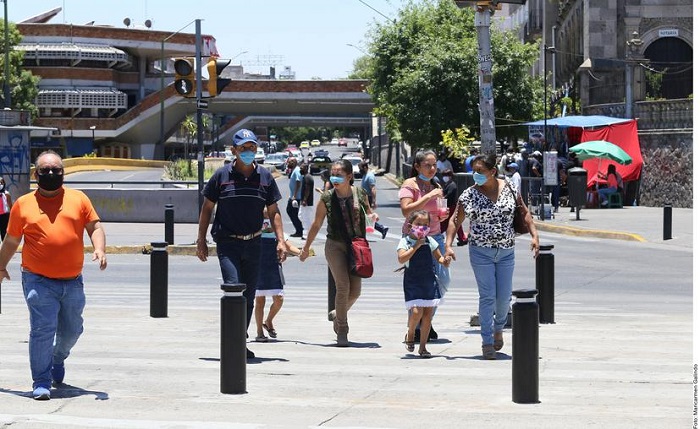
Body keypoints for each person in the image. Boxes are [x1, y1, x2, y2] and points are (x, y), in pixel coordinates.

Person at [0, 150, 107, 400]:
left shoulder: (79, 199)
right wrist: (1, 266)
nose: (51, 174)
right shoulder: (23, 204)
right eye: (45, 170)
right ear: (36, 174)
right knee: (42, 329)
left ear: (63, 173)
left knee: (73, 330)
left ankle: (57, 357)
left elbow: (95, 226)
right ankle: (41, 381)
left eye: (56, 170)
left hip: (72, 281)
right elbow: (11, 241)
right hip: (37, 279)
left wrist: (100, 248)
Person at [196, 128, 287, 360]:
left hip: (254, 242)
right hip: (228, 243)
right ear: (234, 150)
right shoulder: (221, 176)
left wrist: (281, 241)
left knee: (248, 295)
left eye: (252, 147)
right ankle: (231, 341)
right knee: (234, 289)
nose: (248, 151)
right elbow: (207, 208)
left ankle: (238, 341)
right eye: (243, 148)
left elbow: (274, 211)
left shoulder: (265, 177)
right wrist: (201, 240)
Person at [445, 154, 539, 360]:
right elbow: (454, 221)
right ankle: (487, 342)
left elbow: (524, 212)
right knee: (487, 297)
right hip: (480, 251)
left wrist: (534, 235)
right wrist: (448, 245)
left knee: (504, 297)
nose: (475, 175)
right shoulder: (469, 195)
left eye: (480, 171)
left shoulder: (510, 188)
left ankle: (499, 328)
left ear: (492, 172)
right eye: (474, 171)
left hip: (506, 250)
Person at [299, 159, 377, 347]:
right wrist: (305, 248)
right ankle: (342, 328)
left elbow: (368, 213)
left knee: (356, 291)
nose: (334, 178)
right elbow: (316, 225)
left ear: (350, 176)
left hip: (356, 246)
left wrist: (373, 216)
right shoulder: (326, 198)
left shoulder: (360, 193)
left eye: (339, 174)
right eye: (332, 174)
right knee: (343, 287)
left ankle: (337, 313)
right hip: (335, 245)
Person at [399, 149, 450, 341]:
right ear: (417, 166)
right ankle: (417, 325)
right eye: (427, 165)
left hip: (435, 236)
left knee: (443, 279)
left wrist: (440, 213)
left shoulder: (436, 184)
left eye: (434, 164)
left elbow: (437, 210)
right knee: (421, 280)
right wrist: (428, 197)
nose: (432, 168)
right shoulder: (410, 185)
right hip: (415, 237)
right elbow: (406, 211)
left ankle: (424, 320)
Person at [397, 210, 450, 358]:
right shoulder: (406, 242)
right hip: (413, 281)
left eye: (425, 225)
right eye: (418, 224)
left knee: (427, 316)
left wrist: (445, 261)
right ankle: (411, 332)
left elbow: (439, 257)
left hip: (429, 281)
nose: (422, 228)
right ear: (410, 225)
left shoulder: (430, 241)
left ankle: (423, 347)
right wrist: (415, 247)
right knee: (416, 312)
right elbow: (401, 258)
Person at [254, 208, 302, 342]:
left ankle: (268, 321)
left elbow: (287, 245)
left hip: (273, 266)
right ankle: (259, 332)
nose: (265, 210)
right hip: (258, 266)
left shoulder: (277, 228)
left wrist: (301, 253)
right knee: (260, 300)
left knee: (279, 299)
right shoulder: (252, 224)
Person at [359, 161, 389, 239]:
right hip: (364, 198)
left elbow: (373, 189)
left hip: (368, 198)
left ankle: (381, 228)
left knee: (365, 217)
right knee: (365, 217)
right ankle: (381, 228)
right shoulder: (365, 175)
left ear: (365, 167)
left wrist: (373, 201)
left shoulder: (370, 176)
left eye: (360, 168)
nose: (360, 170)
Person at [439, 170, 468, 246]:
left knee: (446, 222)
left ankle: (438, 234)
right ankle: (462, 238)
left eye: (446, 175)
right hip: (449, 206)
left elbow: (449, 195)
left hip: (451, 206)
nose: (444, 177)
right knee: (454, 222)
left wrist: (441, 198)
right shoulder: (448, 184)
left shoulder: (452, 185)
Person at [286, 158, 304, 238]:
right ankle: (299, 230)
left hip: (296, 197)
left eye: (289, 162)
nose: (288, 163)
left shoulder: (296, 170)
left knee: (293, 213)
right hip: (294, 196)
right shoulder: (294, 170)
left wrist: (294, 195)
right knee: (292, 212)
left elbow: (298, 182)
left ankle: (300, 231)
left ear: (294, 162)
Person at [299, 162, 315, 234]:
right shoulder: (305, 176)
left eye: (301, 168)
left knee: (306, 218)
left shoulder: (307, 177)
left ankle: (308, 234)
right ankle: (307, 232)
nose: (300, 169)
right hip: (305, 201)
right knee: (301, 216)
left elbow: (307, 189)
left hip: (307, 202)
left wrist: (305, 200)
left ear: (306, 168)